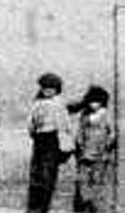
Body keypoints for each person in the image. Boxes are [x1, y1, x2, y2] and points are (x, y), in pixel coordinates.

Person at [27, 72, 74, 213]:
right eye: (45, 88)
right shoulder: (37, 103)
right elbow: (31, 122)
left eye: (51, 88)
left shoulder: (59, 104)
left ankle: (43, 207)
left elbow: (65, 125)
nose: (47, 91)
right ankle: (33, 208)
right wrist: (34, 134)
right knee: (36, 175)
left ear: (57, 89)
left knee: (47, 176)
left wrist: (65, 144)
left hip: (53, 140)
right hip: (39, 139)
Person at [72, 85, 115, 213]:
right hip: (85, 154)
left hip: (100, 155)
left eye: (97, 102)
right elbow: (79, 132)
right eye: (91, 101)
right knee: (82, 183)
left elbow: (112, 133)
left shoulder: (106, 115)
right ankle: (85, 205)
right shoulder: (84, 115)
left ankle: (96, 208)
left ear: (102, 103)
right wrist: (79, 144)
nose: (93, 104)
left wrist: (108, 144)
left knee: (97, 183)